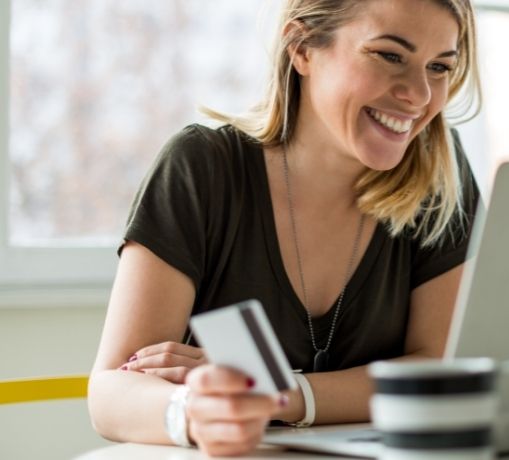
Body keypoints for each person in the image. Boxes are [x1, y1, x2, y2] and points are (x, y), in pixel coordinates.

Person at [87, 0, 482, 456]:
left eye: (439, 66)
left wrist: (280, 393)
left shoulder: (440, 179)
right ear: (302, 47)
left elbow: (440, 369)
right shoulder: (202, 168)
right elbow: (111, 393)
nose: (419, 94)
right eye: (390, 55)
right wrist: (197, 409)